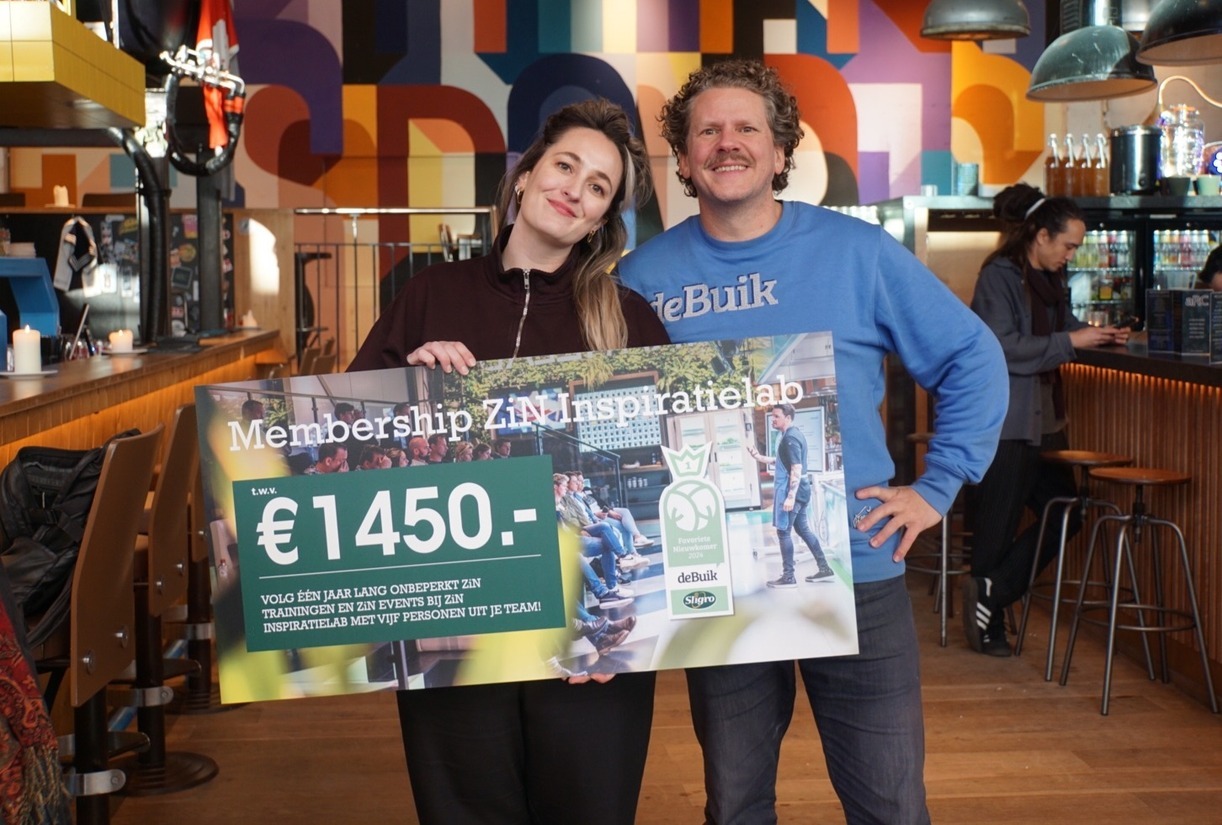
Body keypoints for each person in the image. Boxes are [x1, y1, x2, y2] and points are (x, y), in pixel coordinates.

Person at [616, 59, 1008, 824]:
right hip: (719, 579)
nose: (727, 143)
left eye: (746, 128)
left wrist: (937, 487)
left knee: (890, 802)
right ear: (685, 158)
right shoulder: (640, 277)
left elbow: (972, 356)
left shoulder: (857, 252)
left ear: (780, 149)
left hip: (858, 564)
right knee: (736, 802)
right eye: (707, 131)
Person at [347, 98, 669, 825]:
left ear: (601, 219)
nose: (574, 190)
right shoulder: (429, 296)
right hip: (460, 633)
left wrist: (623, 644)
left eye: (597, 186)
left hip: (587, 671)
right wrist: (407, 385)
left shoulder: (629, 320)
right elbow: (357, 454)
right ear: (524, 176)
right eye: (565, 166)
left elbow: (674, 475)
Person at [964, 184, 1129, 657]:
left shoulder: (1050, 281)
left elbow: (1061, 328)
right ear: (1040, 236)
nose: (1071, 254)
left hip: (1045, 421)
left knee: (1068, 510)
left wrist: (1097, 334)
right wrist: (1072, 342)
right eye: (1068, 245)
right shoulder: (999, 276)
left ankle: (993, 592)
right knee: (997, 528)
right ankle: (987, 627)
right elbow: (1001, 347)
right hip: (1007, 421)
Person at [746, 403, 834, 588]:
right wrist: (759, 457)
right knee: (803, 529)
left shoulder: (790, 438)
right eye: (773, 416)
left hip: (793, 492)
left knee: (783, 532)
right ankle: (824, 568)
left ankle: (788, 577)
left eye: (776, 416)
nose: (773, 419)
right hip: (801, 490)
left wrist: (791, 497)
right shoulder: (791, 435)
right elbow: (781, 462)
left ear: (787, 417)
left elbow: (796, 467)